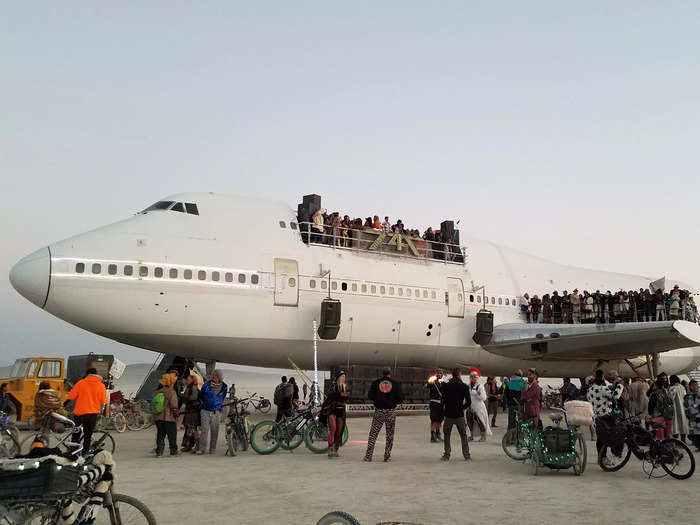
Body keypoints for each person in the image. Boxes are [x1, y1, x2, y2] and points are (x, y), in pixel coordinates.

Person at [364, 367, 403, 462]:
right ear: (390, 374)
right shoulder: (395, 384)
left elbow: (370, 396)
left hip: (379, 411)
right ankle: (387, 456)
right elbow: (400, 398)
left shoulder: (376, 383)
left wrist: (378, 399)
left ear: (382, 373)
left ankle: (368, 456)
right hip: (390, 412)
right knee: (389, 435)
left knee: (373, 434)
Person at [65, 367, 107, 453]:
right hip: (93, 414)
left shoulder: (81, 383)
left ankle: (73, 453)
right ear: (96, 374)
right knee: (88, 435)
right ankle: (85, 454)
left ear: (87, 374)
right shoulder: (101, 386)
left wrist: (65, 403)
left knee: (76, 434)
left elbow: (71, 396)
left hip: (80, 413)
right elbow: (103, 401)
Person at [587, 369, 622, 455]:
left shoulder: (590, 390)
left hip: (595, 418)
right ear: (602, 379)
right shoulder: (602, 389)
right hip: (606, 417)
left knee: (600, 439)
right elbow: (616, 396)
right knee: (613, 435)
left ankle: (601, 457)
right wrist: (620, 385)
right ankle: (610, 455)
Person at [440, 368, 472, 461]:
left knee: (447, 436)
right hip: (459, 415)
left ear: (452, 375)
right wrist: (462, 408)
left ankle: (447, 454)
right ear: (459, 375)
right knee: (463, 435)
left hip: (448, 414)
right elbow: (469, 402)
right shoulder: (464, 386)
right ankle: (466, 455)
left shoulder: (446, 386)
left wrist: (444, 411)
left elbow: (442, 401)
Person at [198, 370, 228, 455]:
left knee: (215, 431)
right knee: (204, 430)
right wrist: (204, 403)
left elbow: (223, 396)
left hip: (216, 411)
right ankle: (202, 449)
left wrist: (218, 405)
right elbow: (201, 396)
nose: (213, 377)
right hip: (205, 411)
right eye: (213, 375)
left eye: (215, 375)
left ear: (219, 377)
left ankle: (213, 449)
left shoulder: (224, 386)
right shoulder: (206, 385)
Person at [321, 370, 349, 458]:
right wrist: (337, 393)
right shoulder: (333, 386)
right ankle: (330, 450)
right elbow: (330, 397)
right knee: (333, 428)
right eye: (342, 376)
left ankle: (336, 449)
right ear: (338, 378)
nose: (343, 378)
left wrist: (345, 395)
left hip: (340, 411)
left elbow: (345, 398)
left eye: (344, 376)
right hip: (332, 410)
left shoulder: (345, 387)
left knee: (339, 431)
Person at [154, 373, 179, 457]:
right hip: (169, 418)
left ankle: (159, 452)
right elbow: (174, 406)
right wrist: (176, 416)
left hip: (158, 417)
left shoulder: (158, 391)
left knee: (160, 435)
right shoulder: (172, 392)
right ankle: (173, 451)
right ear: (172, 382)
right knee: (172, 435)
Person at [466, 370, 491, 441]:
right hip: (470, 406)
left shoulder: (480, 386)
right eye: (472, 377)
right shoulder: (468, 386)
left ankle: (483, 437)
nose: (473, 378)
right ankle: (471, 436)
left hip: (479, 407)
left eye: (475, 377)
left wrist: (478, 394)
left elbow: (484, 398)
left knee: (480, 421)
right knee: (469, 421)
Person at [647, 374, 674, 440]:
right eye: (663, 379)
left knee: (667, 433)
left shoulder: (667, 389)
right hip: (658, 414)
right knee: (660, 433)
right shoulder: (655, 391)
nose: (664, 380)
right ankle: (662, 446)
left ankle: (667, 445)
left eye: (665, 379)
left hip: (667, 414)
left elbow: (670, 401)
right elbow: (651, 404)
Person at [180, 373, 201, 453]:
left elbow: (193, 398)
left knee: (192, 430)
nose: (187, 380)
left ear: (192, 380)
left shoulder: (193, 388)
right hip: (191, 411)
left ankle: (193, 446)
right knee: (190, 429)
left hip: (192, 412)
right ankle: (190, 446)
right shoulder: (190, 387)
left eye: (188, 379)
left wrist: (184, 398)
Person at [668, 375, 689, 442]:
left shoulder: (672, 388)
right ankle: (683, 439)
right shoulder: (682, 387)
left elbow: (670, 398)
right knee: (683, 423)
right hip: (682, 408)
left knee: (675, 424)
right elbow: (685, 395)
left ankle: (676, 441)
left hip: (675, 409)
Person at [426, 370, 444, 442]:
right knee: (434, 419)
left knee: (440, 419)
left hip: (441, 403)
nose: (439, 374)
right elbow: (426, 386)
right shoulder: (432, 382)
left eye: (441, 373)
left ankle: (438, 433)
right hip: (434, 402)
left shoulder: (443, 383)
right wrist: (429, 382)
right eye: (438, 373)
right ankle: (432, 435)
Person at [684, 380, 700, 451]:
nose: (695, 387)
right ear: (690, 386)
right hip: (692, 417)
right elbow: (686, 406)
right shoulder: (687, 396)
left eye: (696, 385)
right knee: (694, 433)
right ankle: (698, 445)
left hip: (698, 416)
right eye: (693, 385)